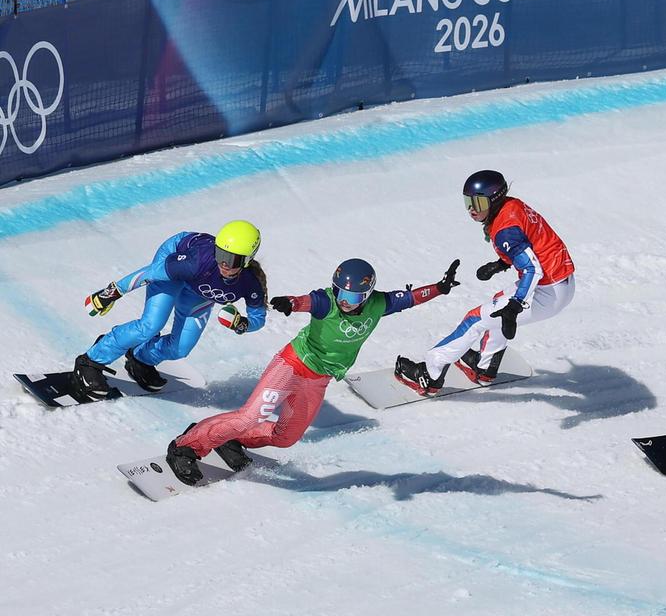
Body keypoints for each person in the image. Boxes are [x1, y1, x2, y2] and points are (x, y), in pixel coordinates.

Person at [165, 257, 460, 485]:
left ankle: (233, 438)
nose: (345, 301)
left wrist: (441, 288)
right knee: (251, 415)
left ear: (368, 296)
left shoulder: (380, 304)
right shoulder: (326, 302)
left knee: (285, 437)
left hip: (317, 380)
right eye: (341, 293)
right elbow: (306, 301)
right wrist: (290, 304)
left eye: (354, 297)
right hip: (292, 364)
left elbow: (410, 298)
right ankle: (186, 447)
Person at [394, 170, 575, 396]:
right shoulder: (513, 206)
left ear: (494, 199)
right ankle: (485, 366)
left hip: (547, 292)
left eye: (478, 202)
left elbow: (532, 268)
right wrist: (501, 264)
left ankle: (430, 374)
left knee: (475, 320)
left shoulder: (504, 230)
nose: (472, 209)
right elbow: (532, 242)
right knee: (498, 303)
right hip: (561, 282)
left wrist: (515, 305)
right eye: (468, 202)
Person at [73, 220, 268, 399]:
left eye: (232, 259)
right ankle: (90, 361)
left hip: (198, 290)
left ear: (247, 260)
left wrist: (241, 324)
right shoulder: (197, 262)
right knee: (150, 325)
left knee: (180, 348)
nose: (224, 263)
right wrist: (111, 293)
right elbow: (150, 273)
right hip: (177, 266)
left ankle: (140, 357)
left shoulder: (251, 283)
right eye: (221, 254)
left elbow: (258, 319)